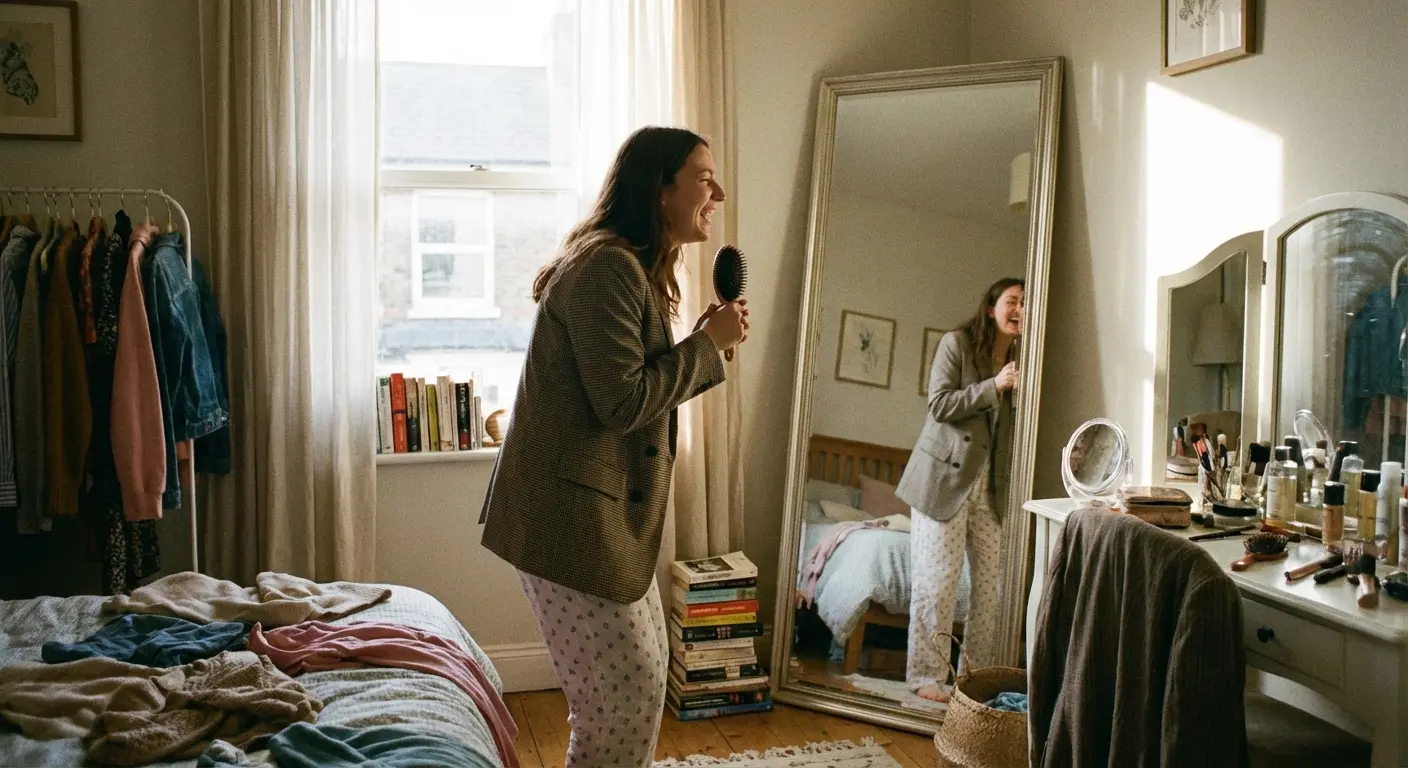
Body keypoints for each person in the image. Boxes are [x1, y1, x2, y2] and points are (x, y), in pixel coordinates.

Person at [479, 126, 748, 765]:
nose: (720, 192)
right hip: (569, 519)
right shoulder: (607, 267)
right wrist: (706, 346)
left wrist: (706, 343)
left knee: (638, 685)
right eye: (705, 177)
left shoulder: (632, 269)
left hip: (598, 518)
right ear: (660, 189)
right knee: (621, 697)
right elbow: (622, 402)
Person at [895, 277, 1024, 702]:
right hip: (943, 481)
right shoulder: (958, 344)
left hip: (992, 489)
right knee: (938, 581)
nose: (1019, 309)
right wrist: (994, 386)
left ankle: (976, 678)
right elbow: (939, 404)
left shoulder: (1028, 360)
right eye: (1012, 301)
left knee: (995, 586)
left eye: (1026, 303)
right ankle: (925, 677)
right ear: (991, 307)